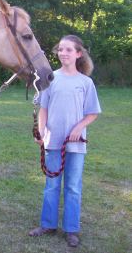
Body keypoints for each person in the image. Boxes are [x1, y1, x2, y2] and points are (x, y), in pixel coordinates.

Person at [29, 35, 101, 248]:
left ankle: (71, 229)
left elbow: (92, 113)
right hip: (53, 143)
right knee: (52, 185)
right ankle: (48, 225)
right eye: (60, 49)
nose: (63, 53)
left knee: (73, 187)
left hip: (76, 145)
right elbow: (44, 109)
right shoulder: (51, 78)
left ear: (79, 54)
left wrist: (79, 128)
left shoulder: (85, 82)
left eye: (68, 50)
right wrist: (41, 132)